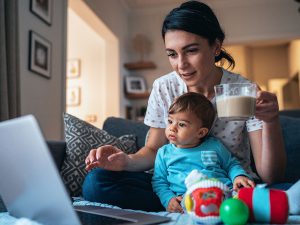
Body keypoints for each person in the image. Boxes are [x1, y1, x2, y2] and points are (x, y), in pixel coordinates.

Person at [83, 1, 289, 212]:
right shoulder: (165, 87)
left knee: (283, 191)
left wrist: (270, 121)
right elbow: (153, 150)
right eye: (172, 54)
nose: (181, 64)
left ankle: (219, 205)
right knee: (96, 182)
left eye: (191, 51)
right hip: (173, 188)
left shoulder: (243, 90)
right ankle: (182, 205)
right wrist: (125, 161)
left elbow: (271, 176)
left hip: (229, 187)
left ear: (216, 46)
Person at [152, 92, 255, 213]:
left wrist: (238, 176)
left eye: (181, 124)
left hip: (225, 192)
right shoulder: (164, 153)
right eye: (170, 121)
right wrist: (168, 199)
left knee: (251, 197)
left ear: (200, 133)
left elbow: (231, 164)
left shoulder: (214, 145)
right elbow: (159, 182)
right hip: (190, 199)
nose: (172, 128)